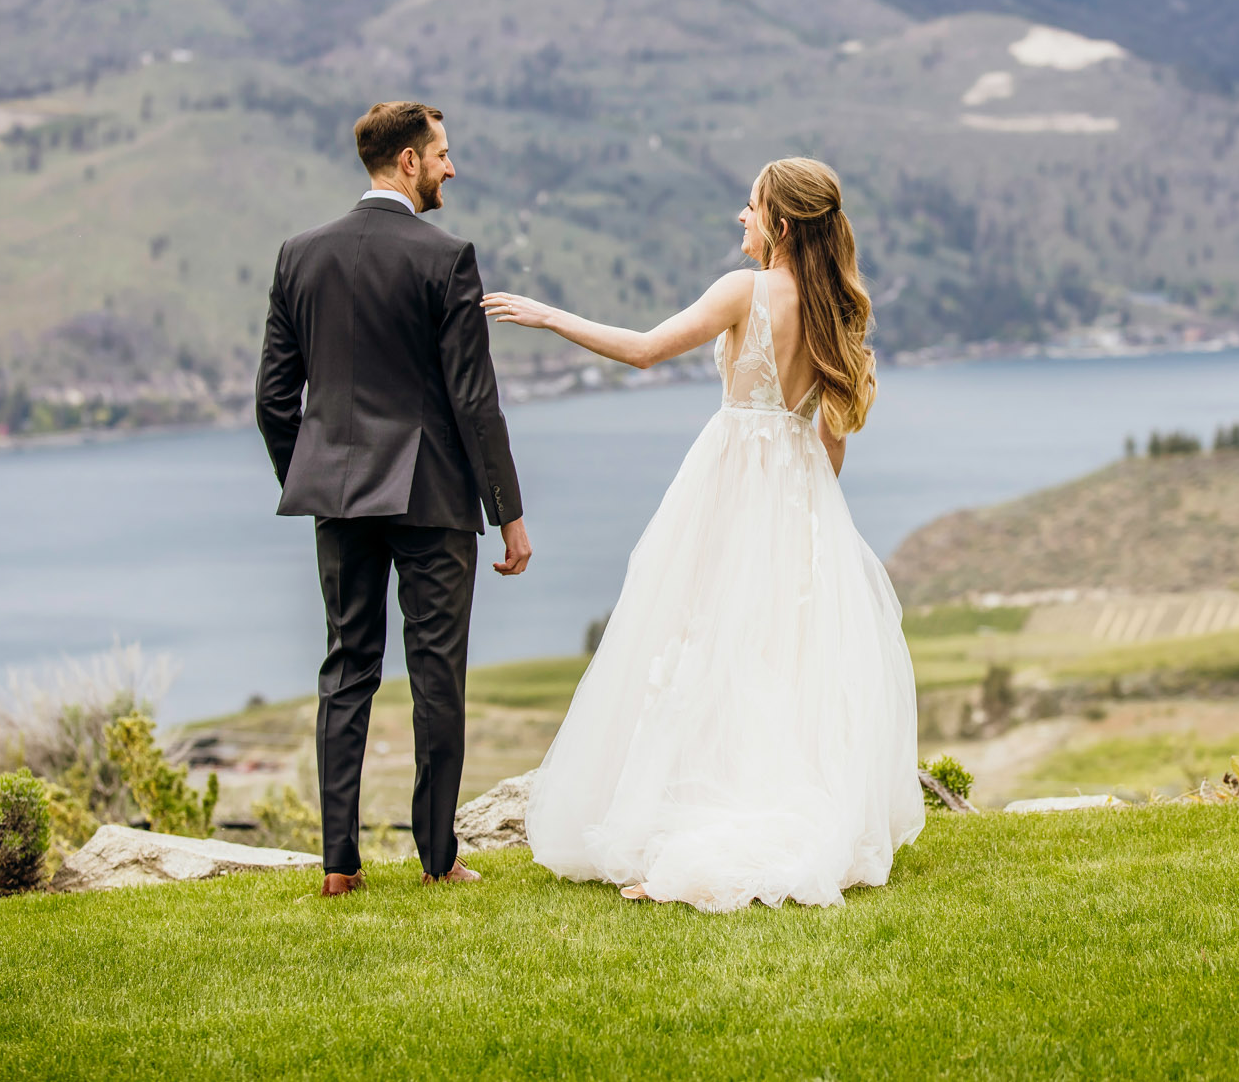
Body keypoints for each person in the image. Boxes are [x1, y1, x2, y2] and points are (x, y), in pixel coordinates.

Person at [484, 156, 923, 913]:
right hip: (797, 488)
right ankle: (779, 801)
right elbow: (834, 438)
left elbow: (647, 348)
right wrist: (809, 509)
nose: (740, 220)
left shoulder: (743, 290)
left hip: (729, 479)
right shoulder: (832, 306)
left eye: (750, 208)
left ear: (781, 225)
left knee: (704, 640)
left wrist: (548, 315)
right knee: (779, 654)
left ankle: (703, 819)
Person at [257, 101, 532, 897]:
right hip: (433, 499)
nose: (451, 167)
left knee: (347, 667)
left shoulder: (297, 255)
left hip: (337, 498)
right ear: (407, 161)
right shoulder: (446, 259)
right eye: (442, 153)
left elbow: (274, 402)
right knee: (436, 673)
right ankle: (437, 856)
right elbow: (474, 401)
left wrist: (313, 474)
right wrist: (507, 513)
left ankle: (338, 863)